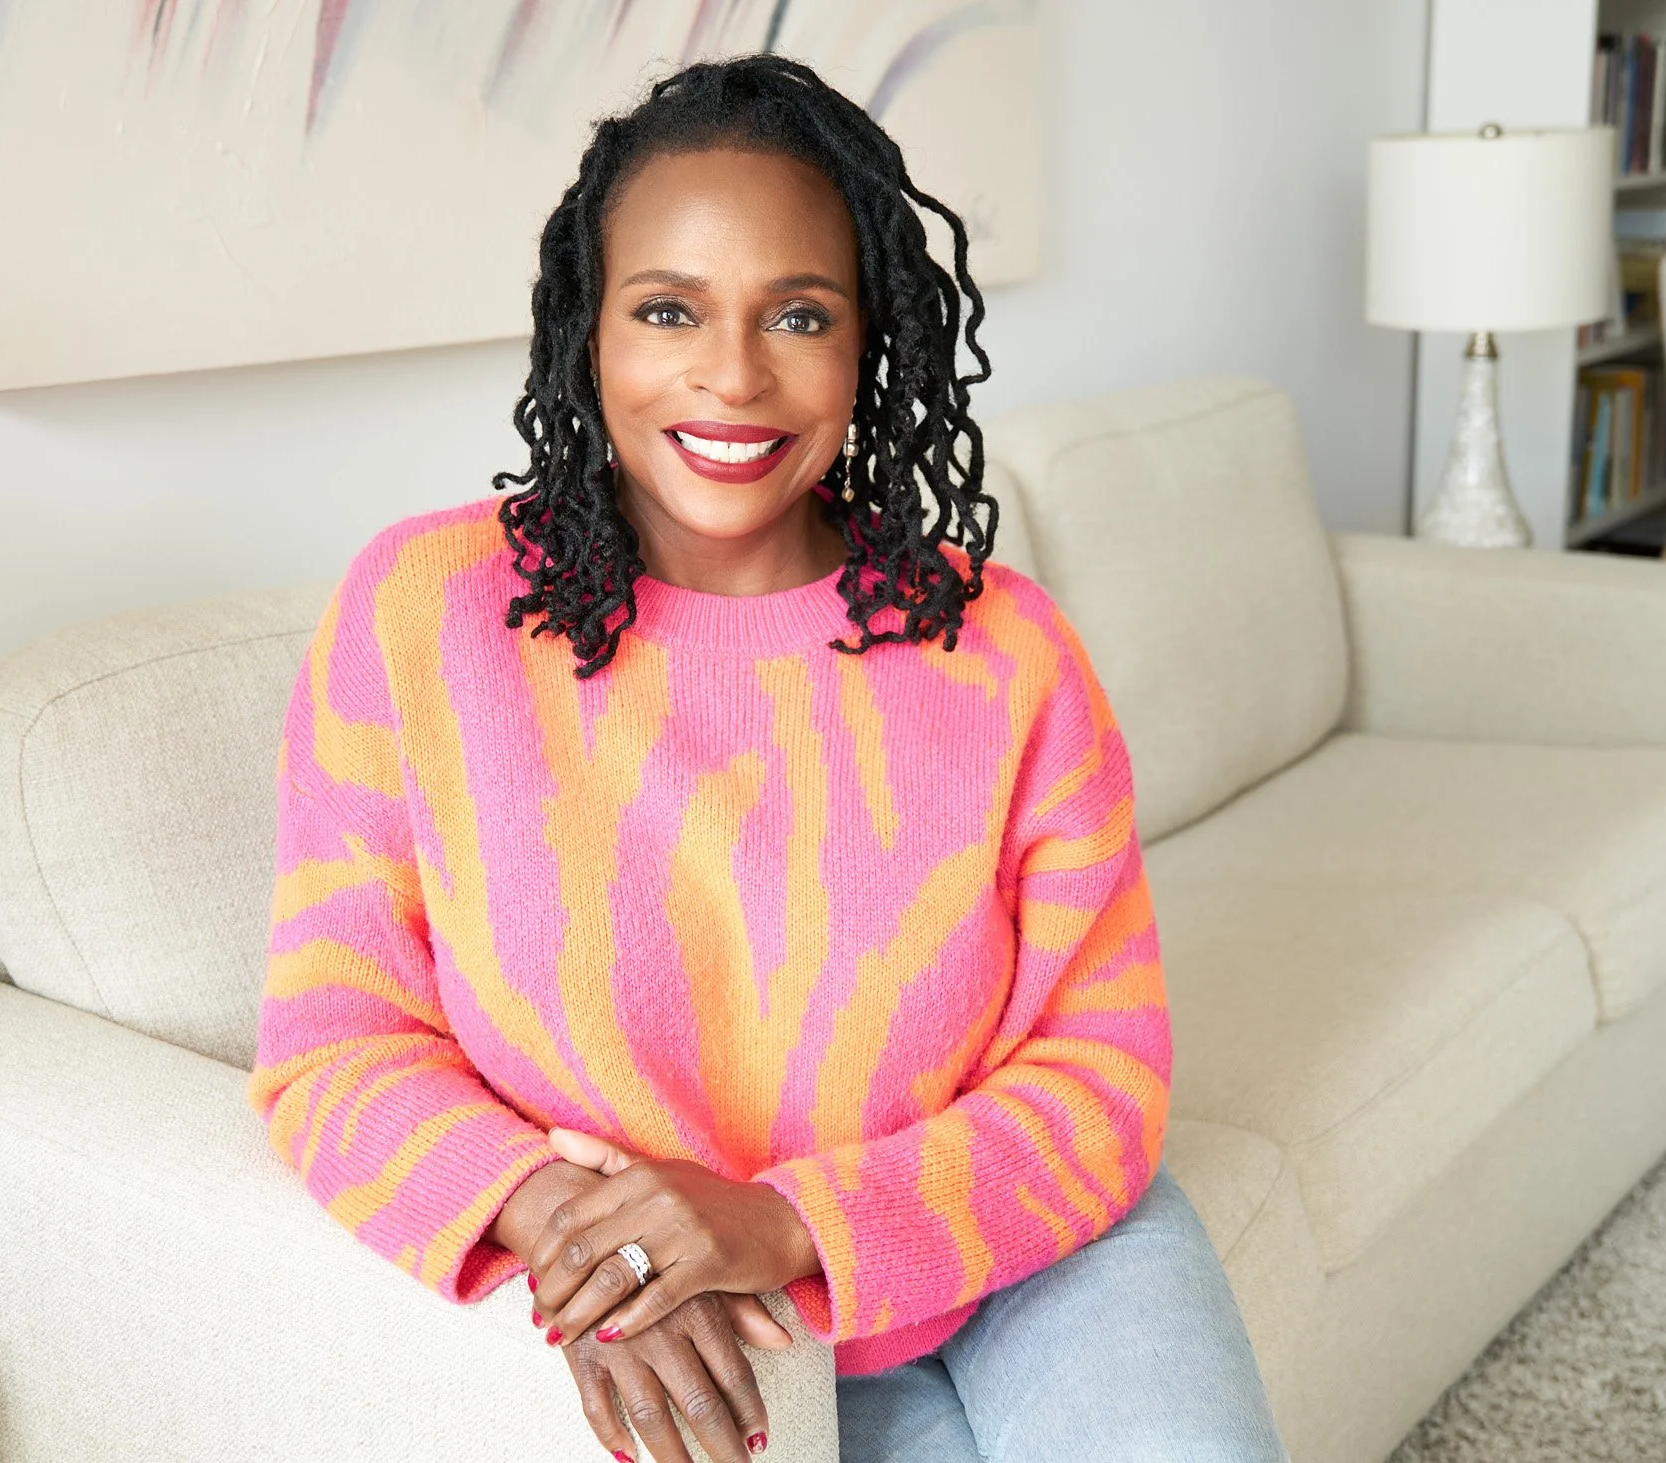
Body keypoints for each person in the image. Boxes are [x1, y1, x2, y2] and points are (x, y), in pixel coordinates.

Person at [249, 53, 1287, 1463]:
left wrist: (781, 1219)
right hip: (712, 1319)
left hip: (1024, 1245)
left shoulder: (1004, 649)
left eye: (799, 314)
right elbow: (334, 1042)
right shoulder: (422, 616)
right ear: (587, 334)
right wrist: (582, 1237)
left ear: (872, 343)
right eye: (667, 308)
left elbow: (1100, 1066)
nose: (732, 376)